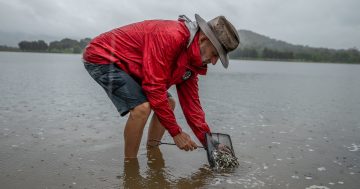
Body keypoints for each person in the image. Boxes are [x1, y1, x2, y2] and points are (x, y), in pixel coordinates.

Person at [82, 14, 240, 158]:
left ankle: (152, 150)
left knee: (169, 103)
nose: (214, 62)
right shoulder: (171, 36)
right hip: (102, 56)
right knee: (142, 108)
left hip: (135, 66)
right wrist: (176, 132)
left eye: (218, 57)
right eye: (215, 54)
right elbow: (154, 87)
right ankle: (130, 166)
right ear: (204, 38)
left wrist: (209, 142)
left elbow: (192, 107)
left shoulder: (193, 61)